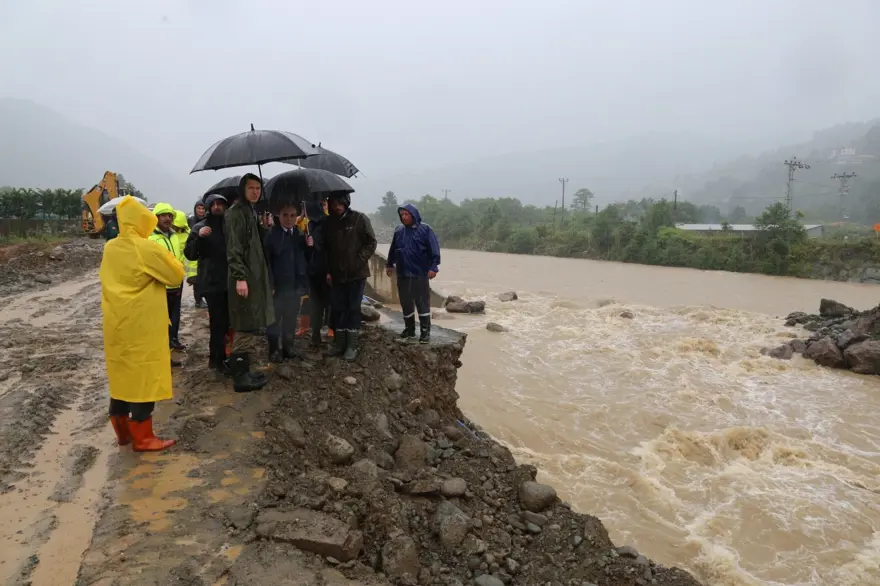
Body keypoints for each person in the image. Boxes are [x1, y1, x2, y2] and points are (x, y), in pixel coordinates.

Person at [100, 196, 184, 452]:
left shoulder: (110, 247)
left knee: (122, 377)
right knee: (143, 379)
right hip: (142, 326)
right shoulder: (145, 247)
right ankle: (143, 437)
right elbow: (176, 274)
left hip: (116, 323)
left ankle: (123, 433)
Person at [225, 173, 273, 392]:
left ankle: (245, 371)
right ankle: (240, 378)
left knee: (251, 323)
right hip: (243, 278)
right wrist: (240, 278)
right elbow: (234, 248)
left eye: (258, 188)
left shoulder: (250, 212)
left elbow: (253, 245)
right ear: (243, 190)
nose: (256, 191)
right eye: (251, 188)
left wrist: (264, 227)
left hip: (253, 277)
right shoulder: (235, 214)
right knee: (244, 324)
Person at [323, 192, 377, 361]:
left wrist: (359, 260)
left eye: (341, 203)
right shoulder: (329, 223)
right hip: (337, 274)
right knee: (338, 308)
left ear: (346, 203)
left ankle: (352, 346)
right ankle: (339, 344)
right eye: (334, 204)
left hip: (357, 274)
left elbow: (371, 242)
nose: (338, 207)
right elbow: (326, 250)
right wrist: (328, 271)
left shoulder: (359, 219)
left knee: (353, 308)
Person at [184, 194, 232, 376]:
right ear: (209, 207)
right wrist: (199, 238)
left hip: (229, 281)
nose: (218, 207)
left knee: (227, 322)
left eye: (221, 204)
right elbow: (190, 254)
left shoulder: (228, 227)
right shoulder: (199, 227)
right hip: (212, 283)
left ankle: (223, 356)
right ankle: (217, 359)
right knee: (217, 323)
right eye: (215, 204)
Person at [385, 204, 441, 344]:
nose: (404, 217)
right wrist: (389, 264)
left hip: (419, 272)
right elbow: (393, 249)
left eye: (406, 214)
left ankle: (425, 332)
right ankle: (409, 329)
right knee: (405, 302)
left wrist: (433, 268)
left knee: (422, 302)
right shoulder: (399, 231)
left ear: (413, 215)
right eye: (402, 214)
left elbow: (434, 250)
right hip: (403, 272)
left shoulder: (425, 230)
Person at [264, 204, 310, 362]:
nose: (289, 219)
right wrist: (270, 285)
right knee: (274, 320)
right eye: (285, 215)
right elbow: (267, 263)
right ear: (279, 216)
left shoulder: (299, 234)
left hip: (294, 286)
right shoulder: (271, 236)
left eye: (292, 215)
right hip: (277, 287)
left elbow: (305, 260)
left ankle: (288, 347)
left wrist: (309, 246)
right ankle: (274, 350)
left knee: (291, 318)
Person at [149, 203, 186, 351]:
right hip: (160, 284)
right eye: (163, 215)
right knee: (161, 318)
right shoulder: (151, 238)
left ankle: (173, 339)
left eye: (170, 216)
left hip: (176, 283)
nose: (167, 219)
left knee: (175, 314)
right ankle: (162, 347)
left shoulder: (175, 236)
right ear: (156, 218)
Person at [303, 198, 332, 347]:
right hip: (314, 271)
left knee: (330, 302)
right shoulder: (310, 225)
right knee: (316, 304)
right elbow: (308, 253)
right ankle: (315, 334)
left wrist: (329, 271)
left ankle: (331, 330)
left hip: (326, 270)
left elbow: (330, 247)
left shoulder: (328, 224)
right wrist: (308, 245)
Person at [188, 200, 208, 307]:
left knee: (204, 277)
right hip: (194, 252)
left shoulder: (207, 221)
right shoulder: (190, 221)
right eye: (198, 208)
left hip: (204, 252)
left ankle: (203, 297)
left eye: (202, 209)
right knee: (196, 279)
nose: (200, 211)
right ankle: (198, 300)